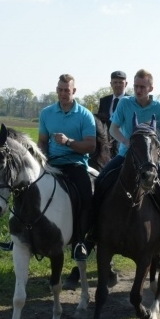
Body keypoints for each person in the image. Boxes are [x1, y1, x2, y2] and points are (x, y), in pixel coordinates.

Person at [93, 68, 160, 244]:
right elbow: (113, 128)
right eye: (136, 86)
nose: (138, 90)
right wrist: (126, 142)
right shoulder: (124, 103)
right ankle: (93, 229)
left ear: (151, 88)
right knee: (101, 181)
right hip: (125, 156)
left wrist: (159, 152)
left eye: (142, 87)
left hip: (151, 160)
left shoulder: (159, 108)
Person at [37, 74, 97, 261]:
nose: (63, 94)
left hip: (74, 164)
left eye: (67, 90)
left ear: (74, 91)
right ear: (57, 90)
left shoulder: (85, 115)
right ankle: (20, 237)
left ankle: (79, 242)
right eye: (60, 90)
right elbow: (42, 141)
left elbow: (91, 146)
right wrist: (41, 159)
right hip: (51, 163)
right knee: (25, 188)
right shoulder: (46, 113)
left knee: (86, 197)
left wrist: (68, 142)